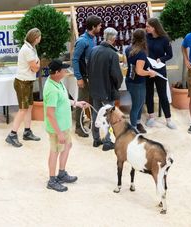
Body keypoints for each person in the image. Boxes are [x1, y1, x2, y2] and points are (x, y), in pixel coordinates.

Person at [44, 59, 88, 192]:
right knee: (55, 151)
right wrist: (59, 133)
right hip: (57, 129)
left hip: (64, 126)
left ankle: (61, 173)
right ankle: (52, 180)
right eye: (63, 69)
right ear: (57, 72)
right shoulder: (51, 89)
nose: (65, 71)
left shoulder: (58, 83)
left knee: (67, 146)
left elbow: (63, 99)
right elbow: (50, 114)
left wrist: (76, 103)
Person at [87, 27, 123, 151]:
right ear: (113, 39)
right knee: (107, 116)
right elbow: (116, 75)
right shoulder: (112, 54)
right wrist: (117, 86)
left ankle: (96, 139)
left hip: (94, 89)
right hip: (107, 90)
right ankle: (107, 141)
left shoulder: (93, 50)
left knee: (96, 114)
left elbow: (88, 69)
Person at [5, 28, 41, 147]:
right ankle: (12, 135)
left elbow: (34, 67)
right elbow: (35, 68)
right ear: (36, 38)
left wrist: (37, 64)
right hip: (22, 83)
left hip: (28, 81)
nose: (40, 38)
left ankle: (27, 131)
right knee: (23, 109)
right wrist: (38, 63)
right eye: (39, 36)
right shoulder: (27, 50)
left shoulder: (31, 48)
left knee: (29, 107)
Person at [72, 15, 102, 138]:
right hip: (84, 77)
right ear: (93, 27)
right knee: (82, 101)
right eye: (99, 26)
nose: (101, 27)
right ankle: (78, 128)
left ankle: (90, 122)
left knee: (90, 101)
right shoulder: (82, 41)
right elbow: (75, 59)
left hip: (92, 77)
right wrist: (79, 78)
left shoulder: (93, 38)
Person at [145, 17, 176, 129]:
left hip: (160, 70)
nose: (146, 28)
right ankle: (151, 117)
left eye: (148, 26)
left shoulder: (164, 39)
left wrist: (161, 59)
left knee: (162, 95)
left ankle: (168, 119)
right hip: (148, 70)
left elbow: (169, 55)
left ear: (154, 27)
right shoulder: (146, 37)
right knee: (149, 94)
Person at [125, 29, 156, 133]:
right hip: (137, 82)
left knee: (138, 104)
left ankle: (137, 123)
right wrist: (150, 73)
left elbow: (133, 67)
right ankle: (133, 129)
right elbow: (139, 71)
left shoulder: (128, 48)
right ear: (144, 39)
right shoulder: (141, 53)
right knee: (137, 106)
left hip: (129, 80)